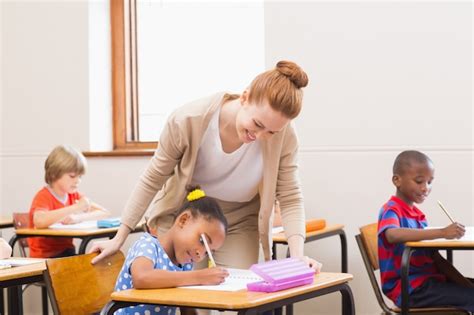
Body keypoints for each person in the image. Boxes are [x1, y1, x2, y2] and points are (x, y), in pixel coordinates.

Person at [91, 60, 321, 272]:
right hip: (188, 214)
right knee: (186, 295)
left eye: (271, 131)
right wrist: (119, 237)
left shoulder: (286, 138)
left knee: (238, 296)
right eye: (257, 124)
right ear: (244, 97)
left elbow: (290, 196)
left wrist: (298, 256)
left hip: (240, 221)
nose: (260, 136)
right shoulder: (188, 119)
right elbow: (153, 178)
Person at [378, 150, 474, 311]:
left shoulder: (418, 216)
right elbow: (392, 234)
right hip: (409, 289)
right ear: (397, 180)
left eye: (430, 182)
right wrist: (442, 233)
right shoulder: (391, 209)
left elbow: (436, 258)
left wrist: (465, 284)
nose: (425, 188)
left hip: (428, 282)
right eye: (419, 181)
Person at [113, 186, 229, 315]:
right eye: (202, 241)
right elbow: (141, 277)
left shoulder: (185, 264)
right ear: (183, 221)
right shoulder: (148, 245)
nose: (200, 255)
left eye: (207, 252)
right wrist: (199, 276)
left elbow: (186, 306)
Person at [28, 145, 110, 258]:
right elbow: (39, 221)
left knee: (98, 259)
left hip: (67, 253)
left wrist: (78, 218)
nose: (77, 181)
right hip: (45, 257)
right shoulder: (43, 196)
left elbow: (104, 212)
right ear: (54, 174)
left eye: (80, 177)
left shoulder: (74, 195)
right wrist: (75, 208)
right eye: (72, 176)